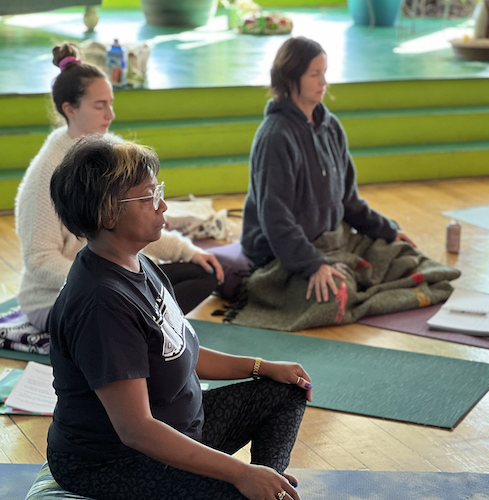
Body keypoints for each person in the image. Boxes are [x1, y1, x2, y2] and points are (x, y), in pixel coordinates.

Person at [47, 135, 310, 500]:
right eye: (150, 196)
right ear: (108, 212)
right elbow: (136, 430)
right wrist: (240, 472)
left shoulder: (139, 263)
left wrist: (261, 366)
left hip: (183, 429)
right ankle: (260, 488)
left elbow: (182, 353)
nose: (163, 205)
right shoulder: (101, 304)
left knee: (287, 390)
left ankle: (269, 486)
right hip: (117, 463)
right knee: (240, 488)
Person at [14, 42, 224, 332]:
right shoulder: (47, 173)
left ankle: (145, 326)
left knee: (202, 273)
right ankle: (146, 327)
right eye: (100, 106)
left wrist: (187, 252)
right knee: (118, 307)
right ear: (69, 109)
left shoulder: (112, 150)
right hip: (59, 297)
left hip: (117, 275)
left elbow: (138, 220)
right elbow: (39, 260)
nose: (110, 114)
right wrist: (108, 277)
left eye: (111, 103)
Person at [240, 36, 415, 303]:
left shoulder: (330, 126)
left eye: (324, 73)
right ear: (290, 78)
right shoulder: (275, 136)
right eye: (314, 75)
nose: (323, 82)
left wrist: (388, 230)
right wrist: (313, 265)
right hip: (279, 251)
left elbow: (349, 201)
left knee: (407, 256)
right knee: (336, 295)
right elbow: (276, 219)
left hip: (330, 238)